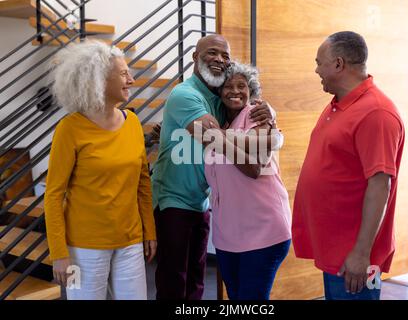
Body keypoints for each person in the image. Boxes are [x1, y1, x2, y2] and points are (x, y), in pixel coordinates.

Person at [151, 34, 275, 300]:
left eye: (225, 55)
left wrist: (270, 114)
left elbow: (245, 106)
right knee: (174, 283)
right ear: (195, 57)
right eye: (211, 53)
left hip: (201, 201)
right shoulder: (185, 94)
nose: (219, 59)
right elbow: (215, 137)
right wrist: (270, 138)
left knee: (197, 281)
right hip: (173, 199)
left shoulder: (219, 98)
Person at [291, 31, 405, 300]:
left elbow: (380, 185)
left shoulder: (376, 112)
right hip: (335, 249)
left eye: (319, 62)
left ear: (339, 64)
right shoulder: (339, 104)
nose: (316, 70)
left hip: (354, 258)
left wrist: (361, 253)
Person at [44, 40, 156, 300]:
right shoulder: (69, 128)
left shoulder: (134, 123)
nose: (132, 79)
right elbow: (53, 195)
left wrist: (149, 231)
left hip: (130, 242)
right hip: (81, 248)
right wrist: (59, 253)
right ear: (99, 80)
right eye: (124, 73)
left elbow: (143, 184)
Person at [204, 61, 291, 300]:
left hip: (263, 231)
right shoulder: (222, 122)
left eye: (241, 86)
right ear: (219, 93)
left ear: (251, 91)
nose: (235, 91)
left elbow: (254, 168)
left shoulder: (257, 116)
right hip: (228, 235)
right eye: (228, 87)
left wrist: (218, 139)